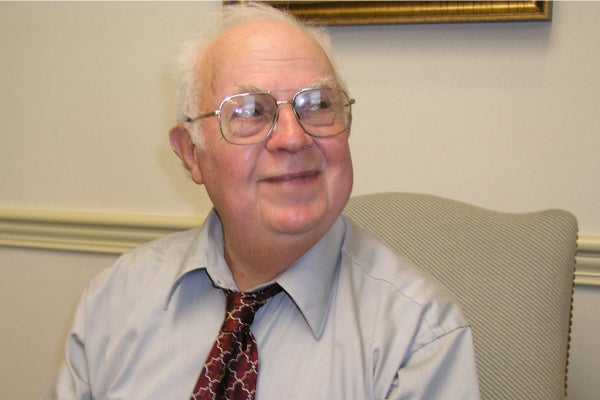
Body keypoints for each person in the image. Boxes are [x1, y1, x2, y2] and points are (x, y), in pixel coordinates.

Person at [43, 3, 480, 399]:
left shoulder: (418, 337)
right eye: (251, 111)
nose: (294, 137)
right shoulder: (115, 302)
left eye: (317, 105)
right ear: (191, 153)